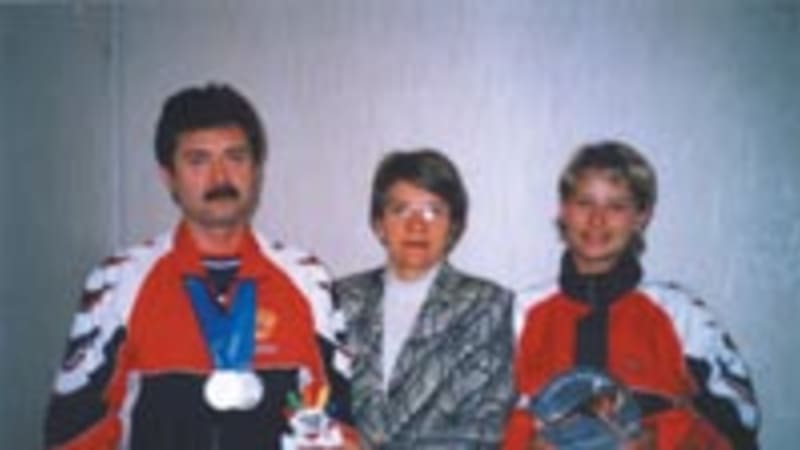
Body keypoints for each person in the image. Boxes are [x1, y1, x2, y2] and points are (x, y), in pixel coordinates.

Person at [44, 83, 355, 449]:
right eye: (198, 160)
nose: (220, 177)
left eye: (235, 157)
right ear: (168, 176)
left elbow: (340, 421)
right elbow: (76, 431)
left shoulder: (308, 278)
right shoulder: (118, 280)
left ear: (256, 169)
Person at [502, 141, 760, 450]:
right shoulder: (520, 314)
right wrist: (524, 444)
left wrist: (662, 441)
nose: (597, 219)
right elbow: (476, 423)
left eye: (616, 206)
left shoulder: (682, 314)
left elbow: (740, 420)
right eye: (584, 203)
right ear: (563, 211)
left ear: (641, 216)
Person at [333, 149, 516, 449]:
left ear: (453, 225)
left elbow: (482, 431)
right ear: (379, 224)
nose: (417, 225)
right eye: (401, 210)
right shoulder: (339, 298)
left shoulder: (486, 306)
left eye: (433, 211)